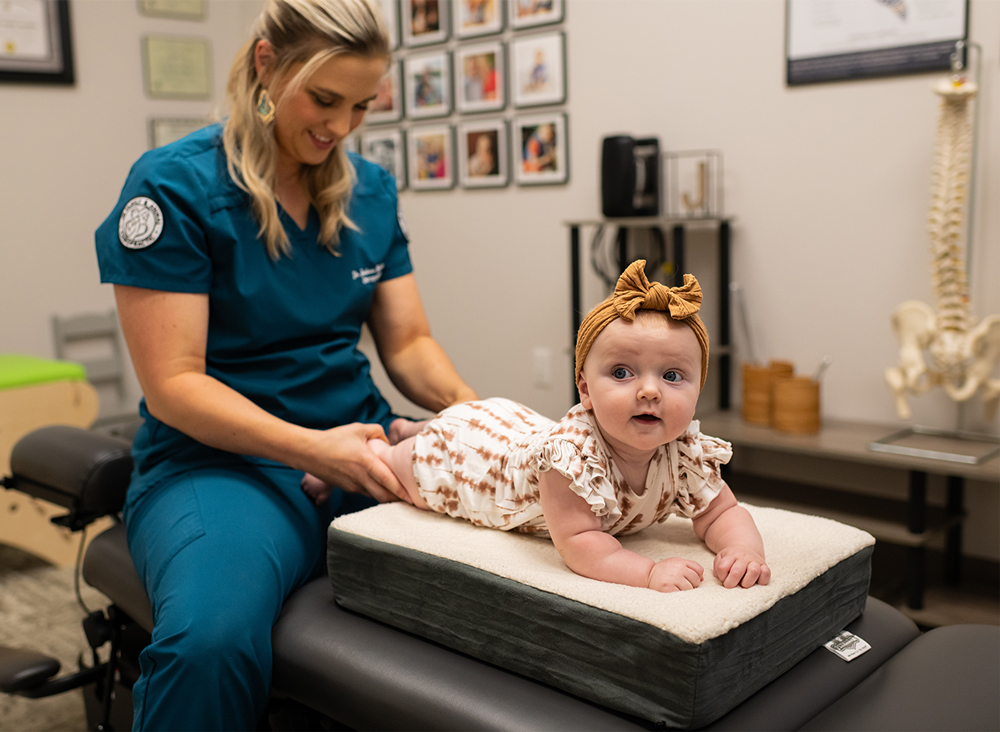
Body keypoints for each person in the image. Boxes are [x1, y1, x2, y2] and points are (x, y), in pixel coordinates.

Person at [94, 0, 476, 728]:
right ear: (267, 64)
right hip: (220, 467)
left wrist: (476, 412)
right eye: (324, 99)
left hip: (361, 448)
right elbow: (174, 386)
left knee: (518, 569)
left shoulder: (368, 189)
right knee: (209, 644)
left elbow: (408, 345)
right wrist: (312, 449)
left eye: (362, 106)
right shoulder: (171, 187)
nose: (341, 127)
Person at [303, 261, 771, 593]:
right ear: (585, 391)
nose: (649, 392)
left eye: (672, 377)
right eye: (623, 373)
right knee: (404, 475)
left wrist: (745, 550)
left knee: (442, 425)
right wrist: (647, 573)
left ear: (697, 392)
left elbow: (721, 514)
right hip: (471, 459)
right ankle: (384, 444)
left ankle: (410, 426)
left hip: (509, 421)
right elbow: (582, 544)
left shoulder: (685, 452)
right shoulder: (570, 461)